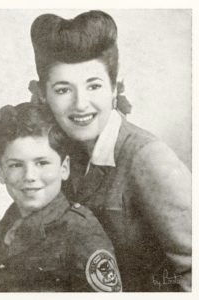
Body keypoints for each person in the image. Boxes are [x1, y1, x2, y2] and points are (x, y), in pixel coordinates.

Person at [29, 10, 192, 292]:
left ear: (115, 89)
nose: (81, 104)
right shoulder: (62, 153)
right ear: (43, 94)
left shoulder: (148, 158)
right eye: (63, 89)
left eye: (94, 86)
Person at [0, 102, 122, 292]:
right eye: (16, 165)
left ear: (64, 168)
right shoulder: (7, 225)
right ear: (0, 171)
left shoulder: (81, 233)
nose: (29, 176)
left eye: (42, 163)